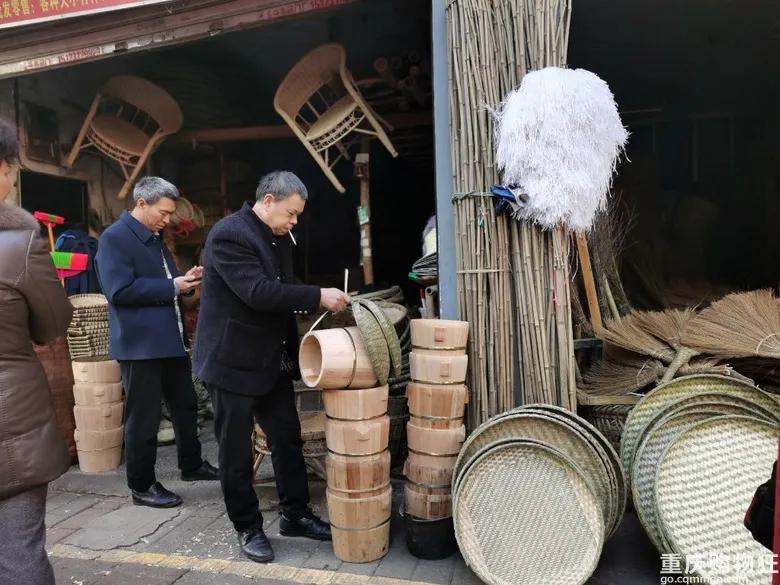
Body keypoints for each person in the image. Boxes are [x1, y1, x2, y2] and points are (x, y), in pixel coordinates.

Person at [194, 170, 350, 563]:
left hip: (270, 358)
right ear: (268, 202)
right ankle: (247, 527)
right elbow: (259, 292)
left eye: (298, 215)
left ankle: (295, 514)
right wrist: (317, 295)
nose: (295, 221)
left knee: (287, 438)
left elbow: (284, 285)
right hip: (232, 360)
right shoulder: (230, 235)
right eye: (291, 213)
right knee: (235, 452)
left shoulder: (280, 235)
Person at [96, 177, 218, 509]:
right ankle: (142, 485)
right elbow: (118, 291)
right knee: (144, 417)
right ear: (141, 204)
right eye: (163, 213)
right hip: (140, 346)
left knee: (186, 404)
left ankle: (191, 465)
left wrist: (186, 283)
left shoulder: (154, 238)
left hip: (169, 341)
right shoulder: (114, 239)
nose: (168, 220)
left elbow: (167, 285)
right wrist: (172, 286)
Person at [0, 120, 73, 584]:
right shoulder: (18, 244)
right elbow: (53, 326)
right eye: (10, 170)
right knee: (20, 554)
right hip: (13, 430)